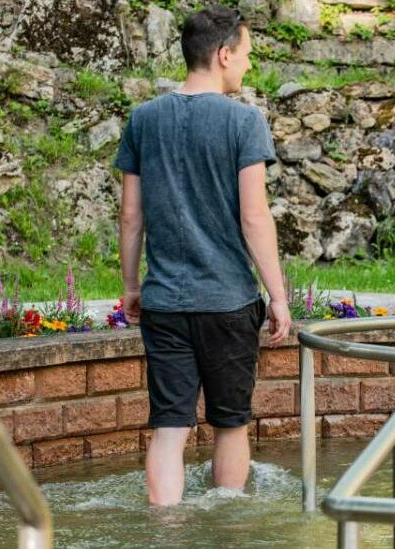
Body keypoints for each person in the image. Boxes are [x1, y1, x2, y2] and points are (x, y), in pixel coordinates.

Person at [115, 6, 291, 506]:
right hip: (228, 302)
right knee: (231, 425)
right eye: (247, 55)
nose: (249, 66)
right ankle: (227, 528)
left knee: (169, 428)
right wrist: (278, 296)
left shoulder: (144, 119)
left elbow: (131, 217)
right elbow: (255, 218)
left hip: (165, 303)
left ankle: (165, 531)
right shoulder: (244, 121)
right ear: (223, 53)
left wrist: (132, 286)